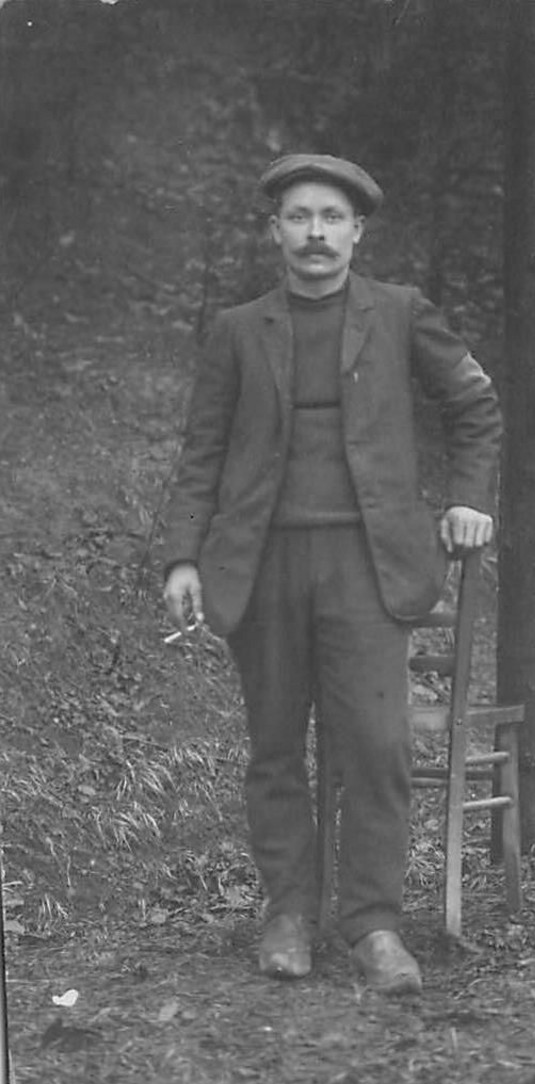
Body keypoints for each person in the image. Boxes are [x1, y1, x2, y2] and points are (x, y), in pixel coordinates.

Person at [162, 153, 502, 996]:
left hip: (368, 566)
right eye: (300, 217)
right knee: (275, 748)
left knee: (378, 747)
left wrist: (468, 498)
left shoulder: (400, 314)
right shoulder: (240, 330)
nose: (316, 234)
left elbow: (474, 406)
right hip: (265, 563)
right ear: (274, 229)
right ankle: (288, 915)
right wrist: (180, 555)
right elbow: (200, 452)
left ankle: (375, 925)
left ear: (358, 231)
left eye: (332, 219)